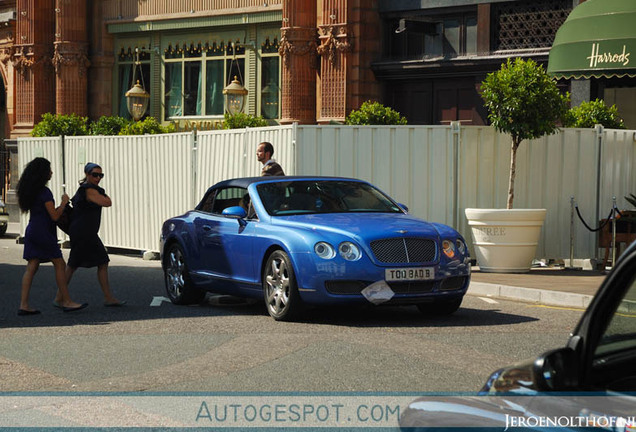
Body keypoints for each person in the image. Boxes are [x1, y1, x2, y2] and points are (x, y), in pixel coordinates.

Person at [16, 157, 88, 315]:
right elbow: (54, 216)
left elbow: (45, 213)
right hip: (43, 232)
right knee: (60, 264)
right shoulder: (45, 192)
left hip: (32, 229)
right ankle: (66, 301)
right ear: (43, 173)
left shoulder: (31, 191)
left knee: (32, 266)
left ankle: (24, 304)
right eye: (49, 170)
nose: (51, 172)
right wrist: (64, 203)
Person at [59, 162, 125, 307]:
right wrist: (101, 192)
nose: (98, 178)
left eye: (100, 175)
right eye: (94, 174)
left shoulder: (90, 189)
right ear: (87, 175)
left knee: (89, 263)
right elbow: (107, 202)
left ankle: (107, 297)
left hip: (84, 231)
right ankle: (59, 298)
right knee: (78, 264)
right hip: (84, 232)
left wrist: (101, 190)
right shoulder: (88, 189)